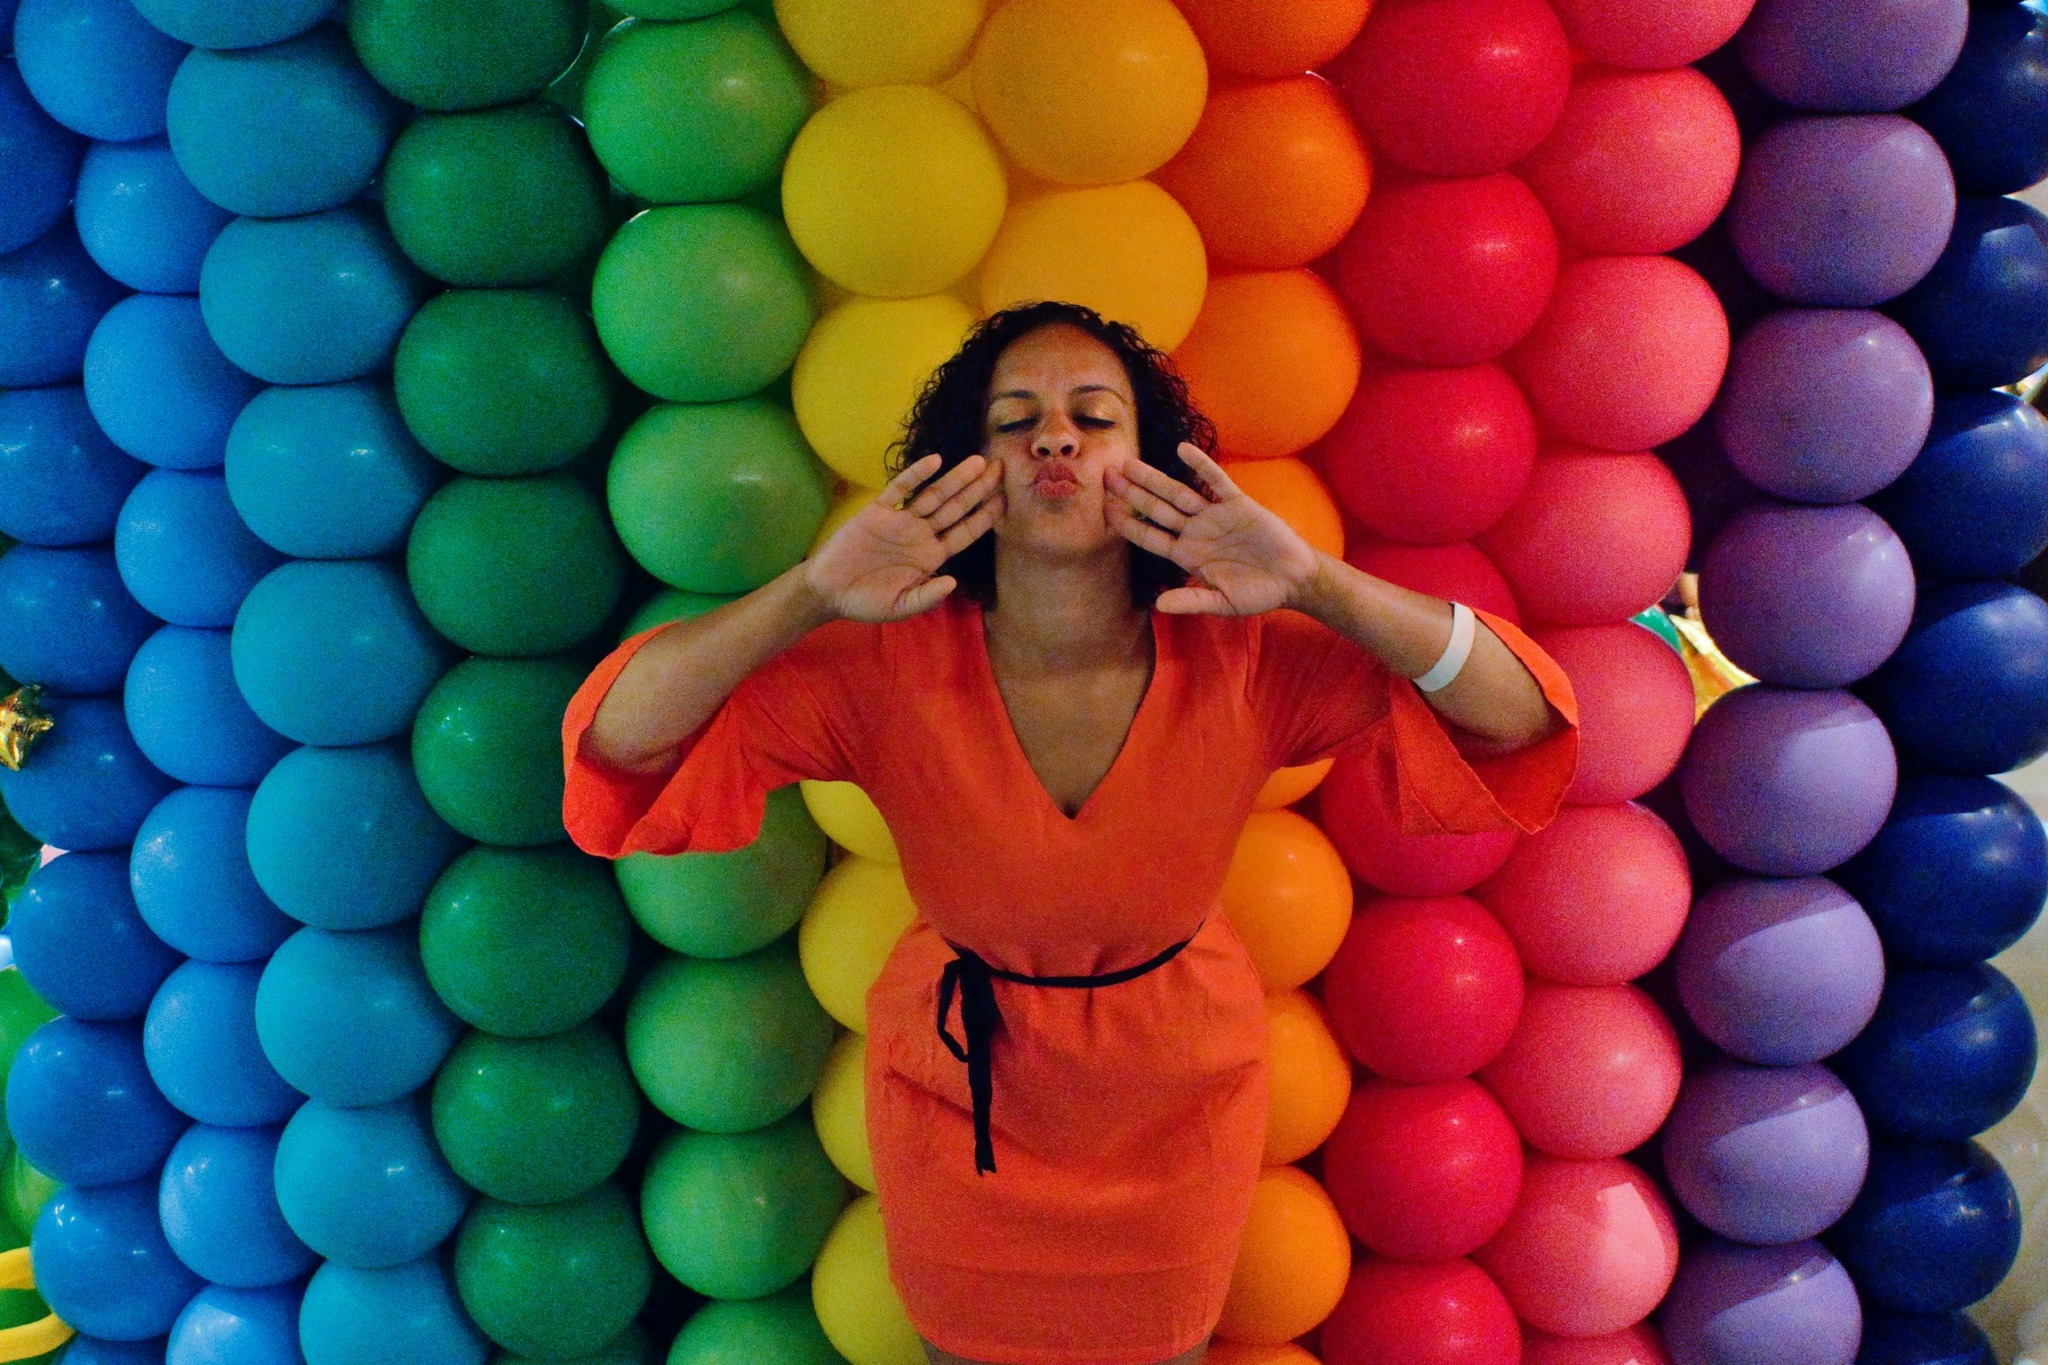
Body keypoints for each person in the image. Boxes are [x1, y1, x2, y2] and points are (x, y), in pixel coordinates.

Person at [562, 301, 1579, 1365]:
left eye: (1093, 418)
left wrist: (1316, 582)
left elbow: (1516, 716)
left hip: (1177, 1118)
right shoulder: (884, 660)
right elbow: (624, 739)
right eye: (1015, 421)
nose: (1054, 438)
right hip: (963, 1117)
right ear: (967, 472)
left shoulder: (1241, 653)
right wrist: (810, 593)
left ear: (1152, 468)